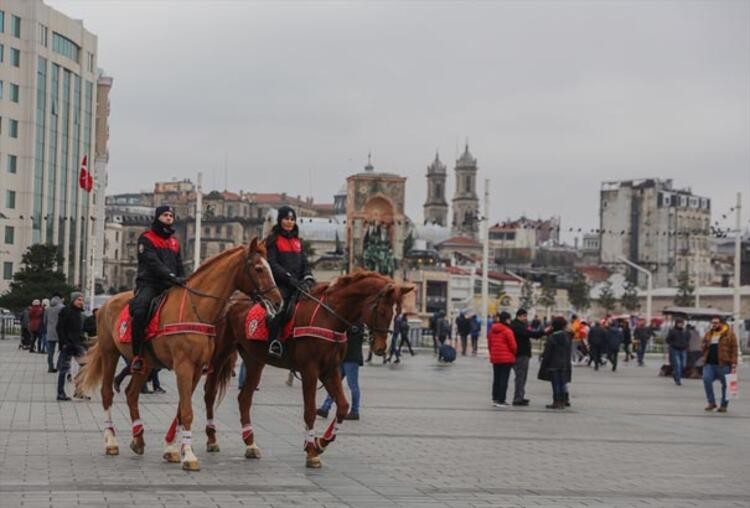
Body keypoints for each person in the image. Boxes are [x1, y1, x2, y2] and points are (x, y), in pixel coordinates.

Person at [130, 205, 185, 373]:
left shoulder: (175, 242)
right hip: (150, 283)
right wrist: (170, 276)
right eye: (165, 215)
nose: (169, 218)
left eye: (171, 215)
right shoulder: (146, 238)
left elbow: (179, 264)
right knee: (140, 311)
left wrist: (183, 279)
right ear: (157, 217)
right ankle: (137, 355)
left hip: (171, 285)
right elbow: (152, 262)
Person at [265, 206, 314, 358]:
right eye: (286, 219)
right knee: (281, 308)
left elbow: (304, 262)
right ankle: (274, 341)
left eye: (292, 219)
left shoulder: (297, 241)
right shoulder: (273, 240)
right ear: (280, 220)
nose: (289, 222)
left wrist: (308, 277)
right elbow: (272, 264)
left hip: (299, 284)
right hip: (282, 284)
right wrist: (288, 278)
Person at [317, 324, 365, 420]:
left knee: (353, 385)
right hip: (342, 358)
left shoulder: (358, 323)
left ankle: (355, 411)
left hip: (351, 359)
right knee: (335, 384)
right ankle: (325, 408)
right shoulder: (348, 320)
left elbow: (351, 338)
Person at [509, 309, 546, 406]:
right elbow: (530, 334)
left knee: (522, 377)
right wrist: (543, 332)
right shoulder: (517, 326)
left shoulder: (519, 325)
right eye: (524, 316)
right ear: (519, 316)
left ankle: (520, 396)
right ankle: (517, 399)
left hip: (523, 354)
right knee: (520, 377)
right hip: (520, 355)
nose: (526, 318)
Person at [701, 316, 738, 412]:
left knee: (726, 385)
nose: (714, 325)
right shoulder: (709, 334)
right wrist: (704, 345)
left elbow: (734, 349)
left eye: (716, 323)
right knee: (706, 380)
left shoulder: (729, 334)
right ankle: (711, 403)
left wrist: (734, 363)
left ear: (722, 323)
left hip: (724, 364)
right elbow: (703, 347)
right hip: (709, 364)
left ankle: (724, 405)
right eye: (712, 323)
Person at [56, 292, 87, 401]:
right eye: (79, 300)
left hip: (78, 344)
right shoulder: (66, 311)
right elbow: (60, 328)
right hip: (68, 344)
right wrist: (63, 343)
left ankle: (79, 391)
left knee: (85, 366)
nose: (81, 302)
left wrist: (83, 339)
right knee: (64, 369)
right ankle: (60, 393)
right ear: (73, 300)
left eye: (82, 300)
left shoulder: (79, 313)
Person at [538, 316, 572, 409]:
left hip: (553, 363)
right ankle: (562, 401)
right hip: (564, 363)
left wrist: (544, 361)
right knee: (562, 383)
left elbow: (548, 352)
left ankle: (556, 402)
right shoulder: (566, 336)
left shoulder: (552, 337)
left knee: (555, 384)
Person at [487, 311, 517, 408]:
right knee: (504, 379)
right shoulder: (508, 331)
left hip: (496, 358)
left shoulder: (492, 330)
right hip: (506, 359)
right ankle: (501, 400)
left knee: (496, 379)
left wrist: (492, 354)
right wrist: (513, 353)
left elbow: (490, 344)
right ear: (506, 319)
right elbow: (513, 346)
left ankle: (495, 398)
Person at [44, 294, 64, 373]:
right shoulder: (62, 308)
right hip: (60, 332)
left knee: (50, 353)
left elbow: (44, 321)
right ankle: (59, 365)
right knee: (62, 350)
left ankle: (50, 367)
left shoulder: (47, 309)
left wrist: (47, 329)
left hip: (50, 332)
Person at [665, 318, 689, 385]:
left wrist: (686, 344)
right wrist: (673, 344)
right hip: (675, 349)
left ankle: (675, 373)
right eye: (679, 323)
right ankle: (678, 379)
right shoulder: (672, 331)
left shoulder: (685, 332)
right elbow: (667, 340)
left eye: (682, 323)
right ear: (676, 323)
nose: (681, 324)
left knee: (683, 365)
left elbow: (688, 338)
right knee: (677, 365)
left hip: (683, 349)